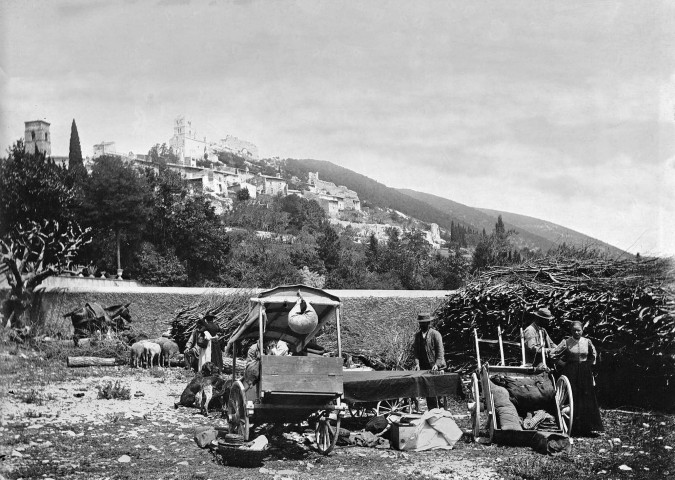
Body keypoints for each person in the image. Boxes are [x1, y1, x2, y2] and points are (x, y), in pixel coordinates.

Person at [550, 321, 604, 435]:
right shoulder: (566, 342)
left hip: (585, 371)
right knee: (573, 396)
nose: (576, 332)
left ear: (582, 330)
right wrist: (562, 364)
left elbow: (594, 354)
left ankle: (587, 427)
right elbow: (553, 355)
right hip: (571, 371)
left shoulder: (587, 342)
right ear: (571, 331)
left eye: (578, 330)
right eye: (574, 330)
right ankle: (574, 427)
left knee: (586, 396)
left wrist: (589, 365)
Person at [413, 312, 446, 410]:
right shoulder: (417, 336)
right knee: (428, 391)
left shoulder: (435, 334)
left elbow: (440, 351)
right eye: (421, 323)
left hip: (437, 367)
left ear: (428, 323)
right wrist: (417, 364)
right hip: (425, 368)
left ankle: (442, 410)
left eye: (425, 323)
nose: (422, 325)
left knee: (438, 391)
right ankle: (432, 411)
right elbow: (416, 353)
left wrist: (437, 364)